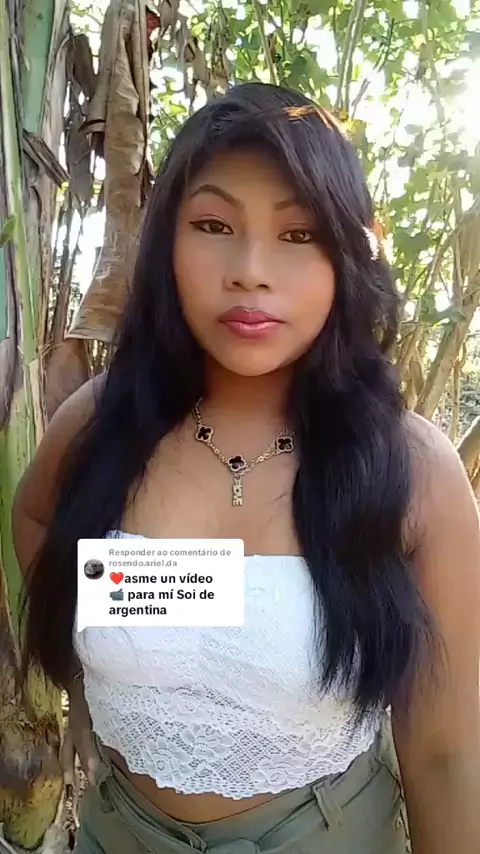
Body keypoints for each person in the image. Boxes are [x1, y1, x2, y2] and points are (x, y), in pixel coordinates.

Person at [13, 83, 480, 853]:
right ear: (166, 242)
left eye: (298, 234)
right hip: (118, 835)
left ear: (349, 255)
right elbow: (36, 520)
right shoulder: (103, 424)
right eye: (212, 225)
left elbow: (446, 756)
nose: (251, 270)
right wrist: (106, 686)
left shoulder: (410, 470)